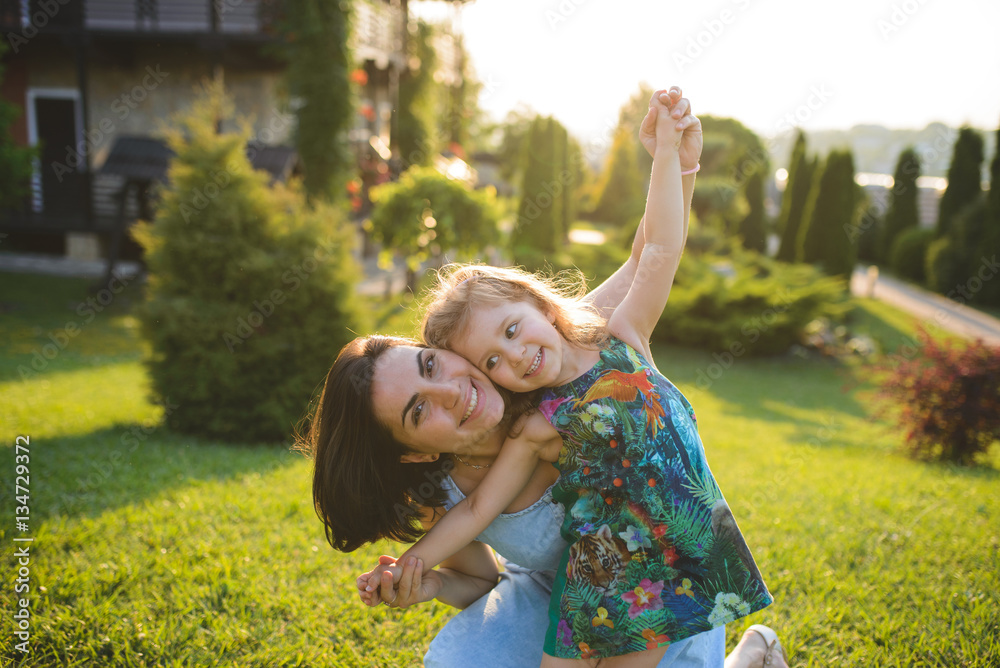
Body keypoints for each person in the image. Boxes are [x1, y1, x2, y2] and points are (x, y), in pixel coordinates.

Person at [304, 88, 788, 666]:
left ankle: (748, 656)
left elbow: (654, 252)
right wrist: (420, 567)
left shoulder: (597, 337)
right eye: (418, 411)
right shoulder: (535, 414)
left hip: (671, 549)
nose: (459, 387)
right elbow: (475, 520)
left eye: (430, 366)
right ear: (409, 452)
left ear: (538, 304)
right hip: (594, 571)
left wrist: (675, 159)